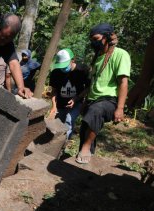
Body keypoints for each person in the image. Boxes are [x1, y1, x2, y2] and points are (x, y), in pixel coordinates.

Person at [76, 23, 131, 164]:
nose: (94, 42)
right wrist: (83, 100)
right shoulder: (98, 58)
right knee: (85, 130)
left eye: (96, 38)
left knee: (96, 111)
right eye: (92, 39)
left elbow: (123, 83)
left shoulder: (120, 54)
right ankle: (86, 155)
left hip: (109, 100)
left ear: (106, 37)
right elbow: (94, 83)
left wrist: (120, 108)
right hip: (92, 100)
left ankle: (86, 148)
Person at [48, 48, 90, 139]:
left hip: (77, 102)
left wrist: (77, 98)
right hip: (60, 103)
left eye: (65, 65)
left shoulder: (82, 70)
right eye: (61, 66)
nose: (63, 68)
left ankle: (62, 146)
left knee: (68, 121)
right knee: (58, 124)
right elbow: (54, 91)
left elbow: (88, 87)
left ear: (72, 60)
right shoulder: (56, 72)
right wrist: (54, 107)